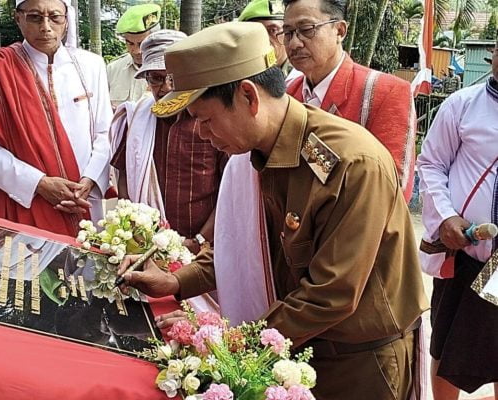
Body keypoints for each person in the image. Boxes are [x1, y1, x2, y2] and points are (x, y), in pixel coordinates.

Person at [119, 22, 428, 400]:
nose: (199, 133)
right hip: (292, 345)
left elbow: (330, 294)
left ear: (248, 97)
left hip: (356, 364)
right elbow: (243, 246)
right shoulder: (251, 156)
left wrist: (229, 340)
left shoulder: (349, 163)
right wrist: (177, 281)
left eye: (205, 118)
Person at [0, 0, 112, 238]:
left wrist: (90, 180)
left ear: (66, 21)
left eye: (55, 17)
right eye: (35, 17)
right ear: (18, 18)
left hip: (85, 200)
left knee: (90, 269)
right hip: (24, 200)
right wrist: (38, 183)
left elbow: (105, 132)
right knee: (30, 273)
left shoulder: (91, 65)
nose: (46, 27)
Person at [417, 37, 498, 399]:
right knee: (449, 345)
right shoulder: (462, 105)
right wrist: (447, 217)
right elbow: (431, 163)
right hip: (469, 257)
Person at [282, 0, 416, 201]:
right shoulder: (288, 95)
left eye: (307, 29)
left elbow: (391, 188)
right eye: (288, 33)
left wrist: (306, 147)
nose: (294, 43)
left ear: (340, 30)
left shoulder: (384, 92)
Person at [109, 29, 227, 254]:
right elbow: (124, 174)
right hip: (146, 246)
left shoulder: (211, 120)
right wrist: (134, 226)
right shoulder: (136, 120)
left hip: (205, 250)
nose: (165, 88)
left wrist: (200, 240)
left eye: (173, 78)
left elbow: (230, 188)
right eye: (155, 78)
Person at [105, 3, 159, 108]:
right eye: (130, 43)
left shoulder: (169, 70)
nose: (136, 51)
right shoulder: (112, 70)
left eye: (142, 44)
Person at [238, 0, 294, 77]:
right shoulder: (237, 76)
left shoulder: (301, 76)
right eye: (256, 33)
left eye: (272, 30)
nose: (264, 39)